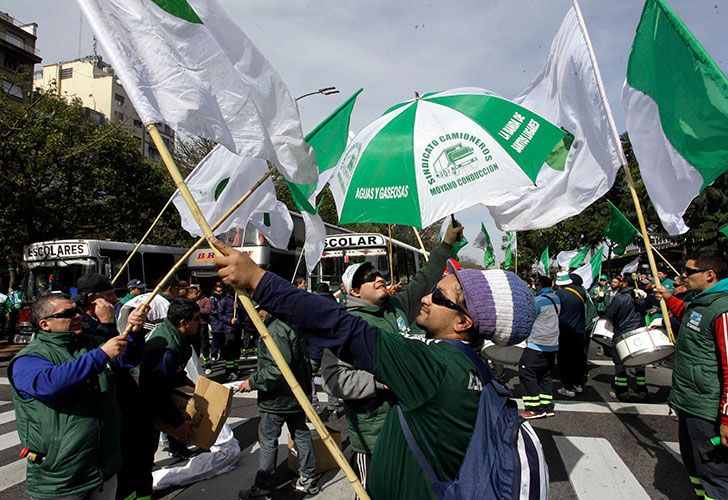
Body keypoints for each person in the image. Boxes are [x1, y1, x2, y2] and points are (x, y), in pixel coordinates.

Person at [215, 241, 537, 499]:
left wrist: (258, 281)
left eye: (438, 296)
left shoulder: (434, 365)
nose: (424, 297)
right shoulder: (474, 365)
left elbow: (340, 327)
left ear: (464, 322)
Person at [321, 224, 461, 488]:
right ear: (354, 292)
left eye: (377, 272)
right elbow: (332, 379)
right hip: (374, 435)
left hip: (410, 424)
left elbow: (425, 278)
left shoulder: (396, 306)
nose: (377, 277)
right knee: (372, 490)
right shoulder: (346, 326)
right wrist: (381, 381)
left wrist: (446, 244)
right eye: (367, 278)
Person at [8, 293, 147, 499]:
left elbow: (127, 360)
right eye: (68, 313)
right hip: (62, 478)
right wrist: (100, 355)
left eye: (78, 310)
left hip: (103, 471)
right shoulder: (30, 358)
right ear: (45, 324)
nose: (77, 316)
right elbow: (50, 384)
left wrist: (134, 333)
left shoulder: (92, 343)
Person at [655, 251, 728, 500]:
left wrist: (727, 418)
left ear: (710, 275)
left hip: (707, 406)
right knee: (694, 462)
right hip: (689, 399)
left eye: (688, 271)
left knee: (714, 469)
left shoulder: (723, 308)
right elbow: (690, 316)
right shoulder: (702, 301)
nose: (683, 276)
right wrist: (669, 299)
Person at [237, 309, 319, 498]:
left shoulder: (274, 330)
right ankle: (308, 478)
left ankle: (263, 486)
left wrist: (252, 382)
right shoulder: (286, 323)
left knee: (268, 440)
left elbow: (277, 367)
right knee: (300, 433)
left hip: (278, 397)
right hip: (295, 393)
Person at [138, 298, 200, 498]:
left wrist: (191, 384)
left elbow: (172, 374)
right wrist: (176, 423)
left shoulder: (171, 334)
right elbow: (158, 391)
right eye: (196, 319)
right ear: (183, 323)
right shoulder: (166, 350)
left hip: (151, 401)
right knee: (142, 458)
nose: (200, 323)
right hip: (141, 408)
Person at [519, 275, 560, 419]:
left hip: (537, 344)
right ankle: (547, 406)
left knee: (526, 372)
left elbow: (526, 318)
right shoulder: (556, 299)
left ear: (540, 286)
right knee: (545, 375)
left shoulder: (537, 301)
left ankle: (533, 408)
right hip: (552, 343)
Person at [604, 275, 647, 400]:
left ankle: (622, 391)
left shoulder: (620, 297)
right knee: (640, 362)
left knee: (620, 363)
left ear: (625, 284)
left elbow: (609, 313)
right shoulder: (640, 297)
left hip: (622, 332)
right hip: (639, 331)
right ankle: (642, 389)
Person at [555, 271, 587, 397]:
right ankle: (578, 384)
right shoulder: (582, 293)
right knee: (578, 358)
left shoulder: (559, 294)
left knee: (565, 360)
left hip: (565, 331)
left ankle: (568, 387)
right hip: (579, 330)